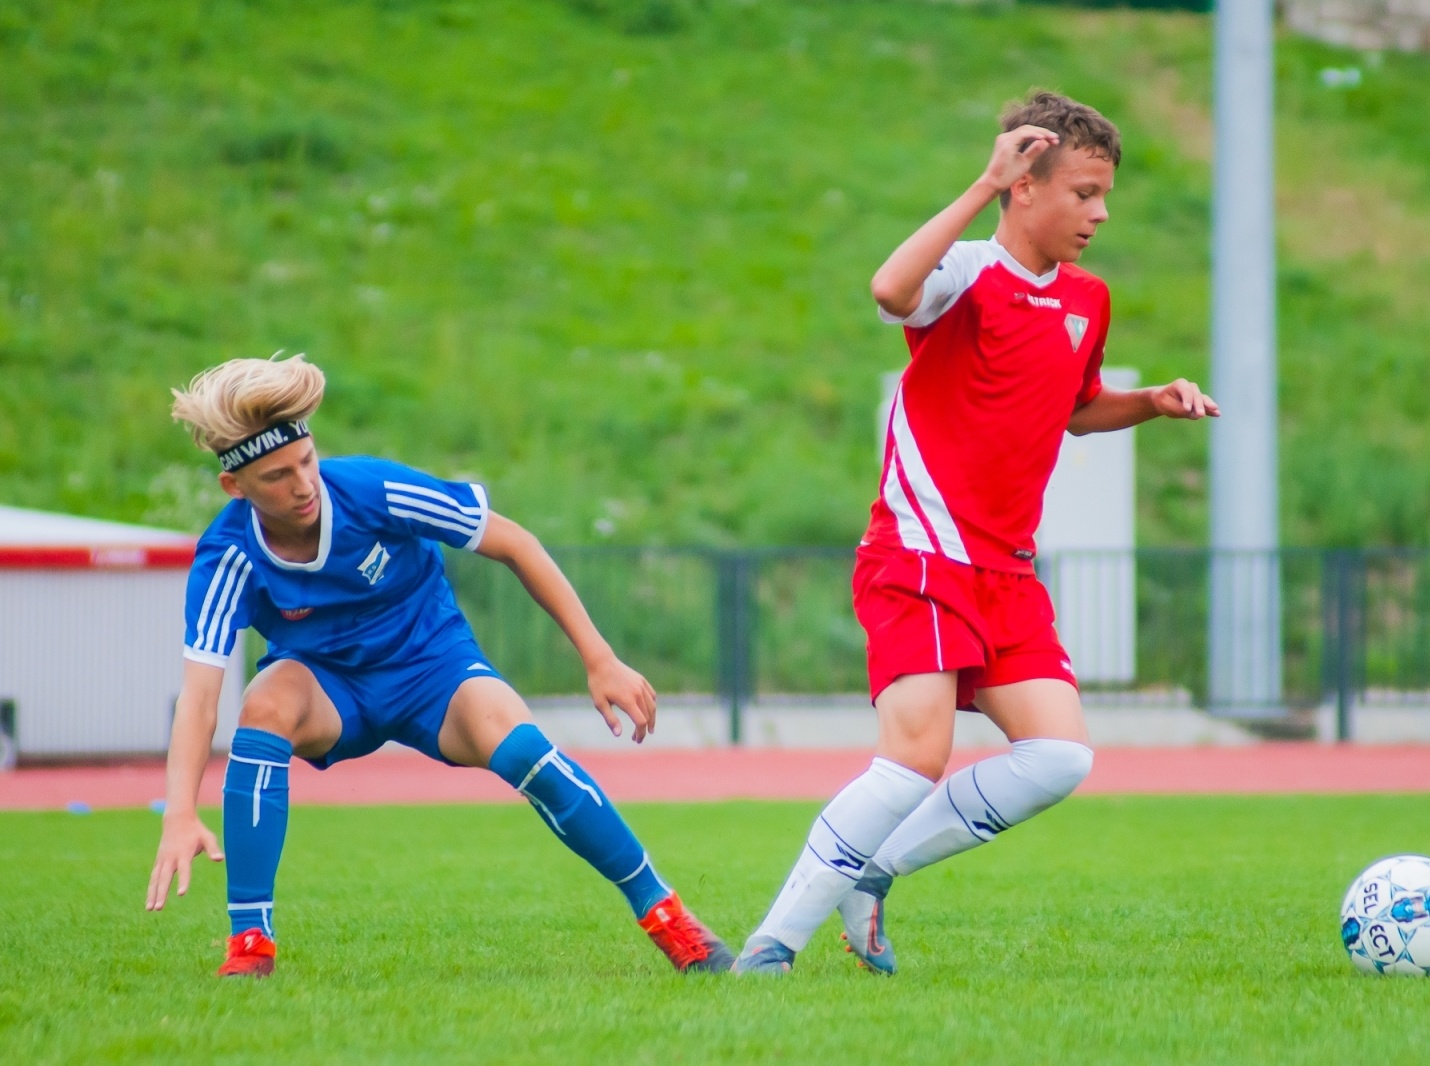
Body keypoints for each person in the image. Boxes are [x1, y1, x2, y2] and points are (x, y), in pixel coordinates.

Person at [735, 92, 1219, 974]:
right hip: (918, 558)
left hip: (1007, 574)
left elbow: (1074, 411)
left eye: (1105, 194)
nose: (1100, 213)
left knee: (1060, 754)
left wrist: (1148, 405)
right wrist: (978, 182)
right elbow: (889, 289)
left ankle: (872, 873)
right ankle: (772, 947)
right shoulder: (961, 274)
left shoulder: (1088, 300)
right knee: (916, 757)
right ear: (1023, 188)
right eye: (1083, 192)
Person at [145, 354, 733, 977]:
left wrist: (600, 657)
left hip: (434, 669)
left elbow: (514, 543)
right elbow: (200, 698)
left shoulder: (373, 490)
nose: (303, 485)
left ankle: (666, 915)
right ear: (235, 487)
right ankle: (250, 945)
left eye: (307, 462)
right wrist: (180, 811)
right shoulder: (226, 555)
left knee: (524, 751)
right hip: (329, 688)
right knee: (264, 701)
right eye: (276, 476)